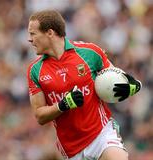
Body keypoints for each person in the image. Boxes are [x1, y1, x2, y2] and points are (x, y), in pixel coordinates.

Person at [27, 10, 141, 160]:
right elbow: (39, 115)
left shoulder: (89, 52)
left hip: (101, 134)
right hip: (71, 149)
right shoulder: (35, 71)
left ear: (49, 33)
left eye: (33, 34)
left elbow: (118, 78)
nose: (30, 39)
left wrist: (134, 86)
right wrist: (63, 104)